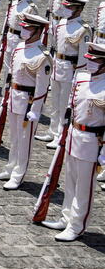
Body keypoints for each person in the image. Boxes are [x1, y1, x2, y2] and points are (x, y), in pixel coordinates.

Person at [40, 42, 105, 241]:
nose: (90, 64)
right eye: (89, 60)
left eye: (95, 61)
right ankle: (66, 217)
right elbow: (71, 108)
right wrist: (65, 133)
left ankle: (77, 225)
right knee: (70, 181)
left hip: (92, 140)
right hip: (74, 135)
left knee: (84, 186)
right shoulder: (82, 78)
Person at [0, 13, 51, 190]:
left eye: (28, 27)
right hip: (15, 96)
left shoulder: (42, 56)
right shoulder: (19, 47)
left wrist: (36, 109)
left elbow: (42, 87)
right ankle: (10, 168)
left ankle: (18, 174)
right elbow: (12, 74)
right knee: (14, 137)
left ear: (39, 31)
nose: (24, 29)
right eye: (23, 26)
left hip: (28, 101)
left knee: (25, 140)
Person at [45, 0, 91, 148]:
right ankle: (52, 130)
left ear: (79, 9)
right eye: (67, 6)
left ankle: (60, 134)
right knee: (55, 102)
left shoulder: (83, 29)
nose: (67, 9)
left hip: (70, 70)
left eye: (71, 7)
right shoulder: (61, 24)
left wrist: (77, 78)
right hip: (58, 65)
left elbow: (83, 59)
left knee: (64, 104)